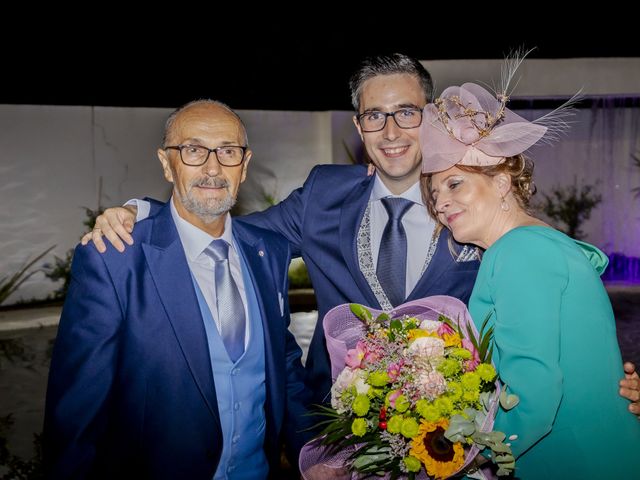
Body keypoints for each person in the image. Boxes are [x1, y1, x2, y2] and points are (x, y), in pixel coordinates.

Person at [81, 53, 640, 413]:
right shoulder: (324, 192)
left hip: (464, 433)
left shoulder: (471, 204)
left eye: (407, 113)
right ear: (358, 126)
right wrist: (143, 213)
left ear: (433, 116)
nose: (391, 130)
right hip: (337, 430)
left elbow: (553, 287)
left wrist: (609, 383)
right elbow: (228, 230)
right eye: (374, 116)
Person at [44, 100, 310, 479]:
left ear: (244, 165)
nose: (213, 167)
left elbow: (281, 366)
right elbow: (76, 414)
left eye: (228, 151)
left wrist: (316, 456)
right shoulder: (115, 258)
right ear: (167, 163)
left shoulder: (269, 251)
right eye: (193, 150)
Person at [421, 79, 640, 477]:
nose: (441, 203)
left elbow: (535, 399)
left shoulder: (518, 252)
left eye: (454, 184)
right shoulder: (539, 245)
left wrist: (461, 458)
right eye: (434, 195)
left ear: (502, 181)